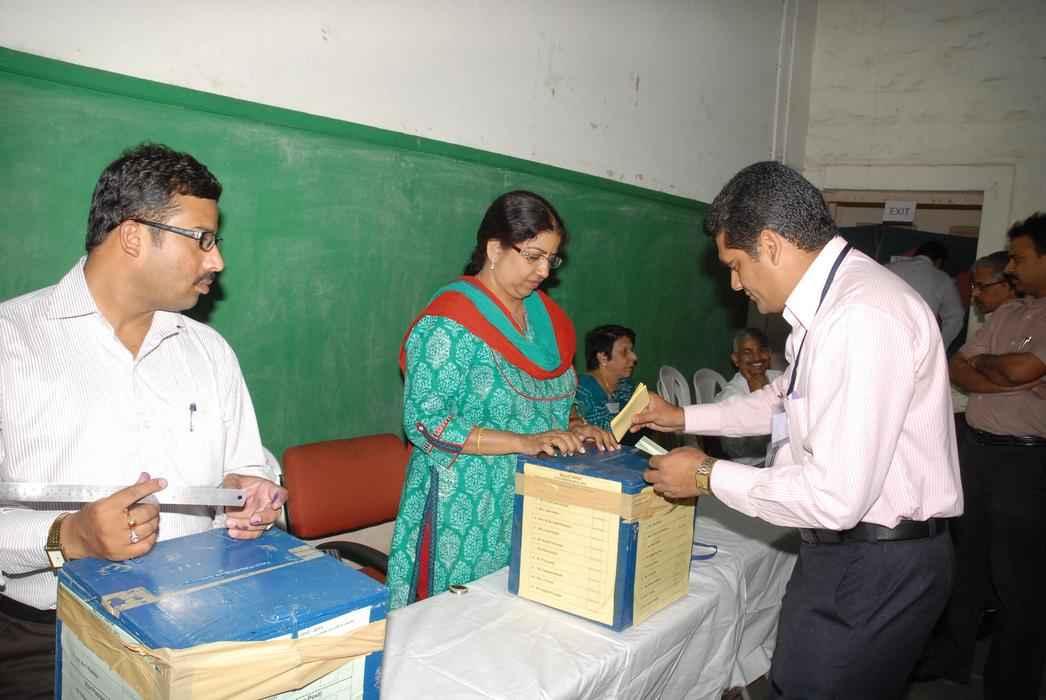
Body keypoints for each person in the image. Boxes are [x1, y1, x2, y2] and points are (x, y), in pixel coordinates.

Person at [632, 161, 962, 699]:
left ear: (771, 245)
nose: (734, 283)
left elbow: (835, 498)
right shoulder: (826, 311)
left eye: (736, 265)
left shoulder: (860, 317)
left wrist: (707, 474)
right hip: (851, 554)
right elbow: (782, 400)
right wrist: (682, 417)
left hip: (874, 560)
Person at [0, 143, 287, 699]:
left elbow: (250, 464)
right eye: (202, 238)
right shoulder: (10, 343)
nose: (216, 261)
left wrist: (251, 491)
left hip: (198, 618)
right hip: (46, 637)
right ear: (133, 235)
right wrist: (68, 537)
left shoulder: (209, 352)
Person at [388, 191, 616, 610]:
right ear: (494, 249)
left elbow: (557, 396)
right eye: (533, 256)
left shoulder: (546, 321)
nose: (544, 271)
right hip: (462, 508)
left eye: (551, 259)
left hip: (532, 498)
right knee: (460, 623)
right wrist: (523, 442)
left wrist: (575, 425)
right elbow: (426, 423)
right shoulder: (450, 322)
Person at [922, 214, 1046, 696]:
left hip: (1026, 463)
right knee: (964, 561)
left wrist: (997, 370)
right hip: (978, 451)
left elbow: (1021, 369)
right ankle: (952, 659)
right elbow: (959, 367)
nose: (1012, 267)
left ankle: (1009, 683)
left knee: (1019, 580)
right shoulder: (1010, 315)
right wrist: (1007, 374)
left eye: (1019, 258)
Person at [714, 328, 783, 465]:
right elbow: (734, 449)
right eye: (747, 352)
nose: (757, 358)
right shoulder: (729, 397)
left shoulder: (780, 378)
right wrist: (758, 395)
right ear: (736, 359)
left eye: (762, 350)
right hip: (752, 466)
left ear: (769, 354)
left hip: (784, 459)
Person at [886, 240, 965, 349]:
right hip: (916, 344)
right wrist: (939, 347)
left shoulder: (887, 268)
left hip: (883, 335)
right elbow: (956, 316)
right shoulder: (942, 278)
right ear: (939, 262)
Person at [574, 324, 639, 431]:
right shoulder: (582, 391)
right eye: (624, 352)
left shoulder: (625, 385)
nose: (634, 357)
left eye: (631, 351)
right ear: (603, 358)